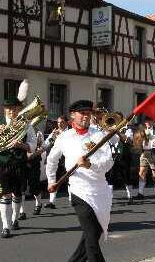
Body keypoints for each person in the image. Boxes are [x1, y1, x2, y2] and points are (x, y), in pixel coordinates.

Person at [46, 100, 113, 262]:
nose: (86, 116)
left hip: (100, 191)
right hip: (79, 191)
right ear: (72, 115)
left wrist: (91, 165)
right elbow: (51, 160)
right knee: (91, 236)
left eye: (88, 113)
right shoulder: (64, 137)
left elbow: (109, 162)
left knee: (93, 235)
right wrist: (51, 180)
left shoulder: (98, 134)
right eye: (82, 113)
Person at [0, 96, 36, 238]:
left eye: (15, 108)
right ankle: (5, 226)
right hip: (2, 163)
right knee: (4, 194)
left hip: (19, 163)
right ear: (5, 109)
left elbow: (33, 146)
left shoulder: (26, 125)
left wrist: (20, 145)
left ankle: (14, 219)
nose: (12, 111)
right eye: (9, 108)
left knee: (17, 194)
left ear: (19, 109)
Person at [19, 125, 46, 219]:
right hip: (21, 161)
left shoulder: (38, 133)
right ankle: (22, 211)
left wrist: (33, 154)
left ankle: (38, 203)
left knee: (34, 185)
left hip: (33, 161)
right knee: (21, 187)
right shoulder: (19, 130)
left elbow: (43, 147)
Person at [44, 115, 69, 209]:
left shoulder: (71, 131)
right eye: (58, 122)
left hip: (67, 157)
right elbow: (47, 144)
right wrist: (53, 136)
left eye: (62, 122)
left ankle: (72, 198)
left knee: (71, 176)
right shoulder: (56, 132)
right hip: (56, 158)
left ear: (66, 122)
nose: (59, 124)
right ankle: (51, 201)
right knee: (51, 175)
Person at [135, 118, 155, 199]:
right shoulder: (142, 128)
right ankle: (140, 193)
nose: (148, 123)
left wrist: (149, 136)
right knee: (142, 172)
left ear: (153, 121)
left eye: (149, 121)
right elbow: (138, 139)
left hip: (153, 152)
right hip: (144, 152)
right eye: (146, 121)